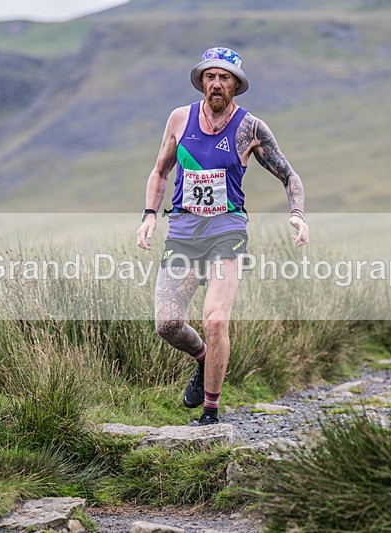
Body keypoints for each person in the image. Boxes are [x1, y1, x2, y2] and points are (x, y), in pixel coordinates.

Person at [136, 47, 308, 426]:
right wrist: (149, 214)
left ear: (236, 84)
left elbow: (289, 176)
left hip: (226, 231)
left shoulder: (251, 128)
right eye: (210, 77)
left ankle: (210, 413)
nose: (216, 83)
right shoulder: (180, 119)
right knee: (166, 325)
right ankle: (202, 358)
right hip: (182, 231)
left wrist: (297, 215)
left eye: (224, 77)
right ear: (201, 81)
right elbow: (160, 171)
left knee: (216, 322)